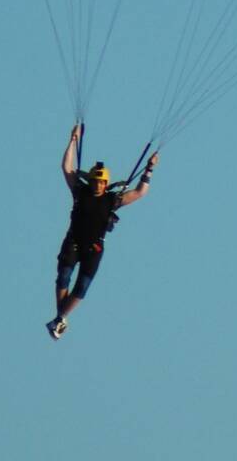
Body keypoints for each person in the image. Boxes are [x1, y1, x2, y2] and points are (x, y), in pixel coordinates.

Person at [46, 124, 159, 341]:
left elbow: (139, 192)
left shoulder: (112, 200)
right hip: (74, 241)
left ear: (106, 184)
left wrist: (149, 169)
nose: (98, 185)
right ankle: (60, 319)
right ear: (91, 181)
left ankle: (60, 318)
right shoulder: (80, 191)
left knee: (82, 286)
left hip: (94, 248)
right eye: (95, 182)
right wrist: (73, 140)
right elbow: (66, 167)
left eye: (101, 182)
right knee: (64, 276)